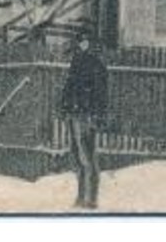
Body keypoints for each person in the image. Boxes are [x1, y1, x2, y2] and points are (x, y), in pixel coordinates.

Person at [58, 28, 110, 210]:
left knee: (88, 158)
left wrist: (97, 115)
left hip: (87, 115)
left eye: (86, 41)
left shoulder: (96, 64)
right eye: (80, 41)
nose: (83, 45)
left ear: (92, 44)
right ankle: (80, 197)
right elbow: (68, 88)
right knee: (76, 158)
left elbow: (101, 94)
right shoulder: (76, 62)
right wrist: (64, 107)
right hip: (73, 115)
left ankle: (91, 199)